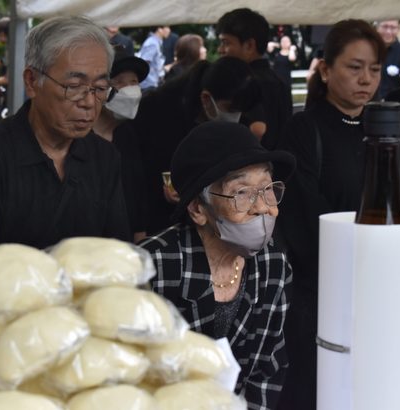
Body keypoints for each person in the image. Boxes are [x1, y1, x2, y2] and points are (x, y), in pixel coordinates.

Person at [140, 121, 296, 410]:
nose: (263, 207)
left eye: (267, 188)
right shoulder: (153, 267)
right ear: (198, 209)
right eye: (242, 193)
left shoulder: (273, 264)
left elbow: (266, 371)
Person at [275, 19, 386, 410]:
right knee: (317, 386)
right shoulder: (303, 128)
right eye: (354, 67)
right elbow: (304, 212)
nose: (366, 79)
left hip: (376, 286)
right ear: (325, 69)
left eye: (374, 69)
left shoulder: (383, 130)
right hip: (318, 289)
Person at [0, 16, 130, 249]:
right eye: (74, 87)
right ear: (32, 81)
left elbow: (117, 251)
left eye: (99, 88)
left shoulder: (104, 157)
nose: (89, 102)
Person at [133, 56, 261, 236]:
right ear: (206, 99)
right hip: (163, 220)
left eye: (241, 111)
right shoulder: (159, 113)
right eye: (231, 110)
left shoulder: (236, 112)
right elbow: (143, 172)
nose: (236, 116)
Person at [93, 47, 149, 243]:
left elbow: (138, 187)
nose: (129, 89)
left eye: (133, 82)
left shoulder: (128, 133)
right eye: (119, 82)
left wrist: (140, 230)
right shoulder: (80, 136)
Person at [216, 8, 293, 150]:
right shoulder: (278, 81)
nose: (220, 50)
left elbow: (257, 131)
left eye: (226, 43)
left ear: (249, 45)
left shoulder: (246, 83)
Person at [376, 19, 400, 99]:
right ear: (377, 27)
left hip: (392, 105)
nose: (388, 31)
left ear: (399, 29)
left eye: (393, 28)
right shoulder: (367, 49)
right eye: (385, 26)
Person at [138, 26, 171, 91]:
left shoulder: (157, 41)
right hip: (148, 84)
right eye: (167, 27)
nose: (169, 30)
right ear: (159, 29)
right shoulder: (152, 43)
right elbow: (144, 63)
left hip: (153, 82)